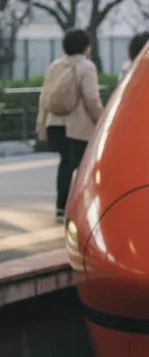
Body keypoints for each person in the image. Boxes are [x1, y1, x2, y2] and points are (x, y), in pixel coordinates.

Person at [35, 29, 104, 221]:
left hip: (55, 124)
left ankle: (60, 207)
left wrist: (41, 125)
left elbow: (44, 97)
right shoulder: (86, 66)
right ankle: (82, 209)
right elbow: (91, 98)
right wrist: (102, 120)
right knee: (84, 168)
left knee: (65, 164)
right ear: (85, 47)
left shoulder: (55, 66)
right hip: (77, 126)